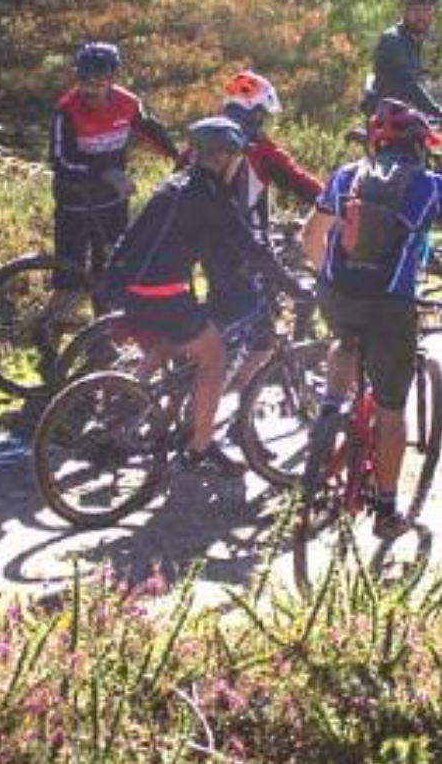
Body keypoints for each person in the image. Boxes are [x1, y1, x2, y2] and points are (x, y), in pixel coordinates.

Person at [103, 117, 311, 475]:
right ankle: (199, 447)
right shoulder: (211, 197)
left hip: (125, 284)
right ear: (227, 158)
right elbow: (250, 247)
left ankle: (126, 404)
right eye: (238, 159)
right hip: (161, 291)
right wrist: (293, 287)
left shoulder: (173, 185)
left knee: (175, 338)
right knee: (213, 356)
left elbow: (134, 236)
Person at [299, 98, 442, 539]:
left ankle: (331, 411)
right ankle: (386, 509)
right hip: (390, 303)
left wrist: (333, 278)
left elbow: (310, 238)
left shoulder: (345, 176)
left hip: (337, 295)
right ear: (421, 145)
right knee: (391, 408)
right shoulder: (431, 185)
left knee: (344, 339)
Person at [47, 41, 179, 327]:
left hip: (112, 202)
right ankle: (47, 335)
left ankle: (101, 340)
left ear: (112, 79)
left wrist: (180, 158)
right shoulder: (66, 110)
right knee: (70, 278)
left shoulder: (128, 103)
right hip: (75, 201)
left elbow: (151, 131)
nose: (89, 89)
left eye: (98, 82)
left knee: (111, 270)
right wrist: (104, 173)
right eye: (83, 81)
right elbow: (60, 162)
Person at [211, 71, 324, 392]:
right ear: (257, 112)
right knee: (260, 335)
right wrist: (342, 204)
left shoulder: (205, 139)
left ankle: (224, 401)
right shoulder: (260, 149)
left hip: (201, 245)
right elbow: (302, 183)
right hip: (243, 250)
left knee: (224, 322)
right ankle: (226, 410)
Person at [362, 0, 442, 120]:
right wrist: (437, 111)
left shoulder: (412, 42)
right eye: (416, 10)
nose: (421, 16)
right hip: (390, 128)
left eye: (427, 10)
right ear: (405, 10)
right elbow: (409, 85)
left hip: (407, 120)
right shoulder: (392, 40)